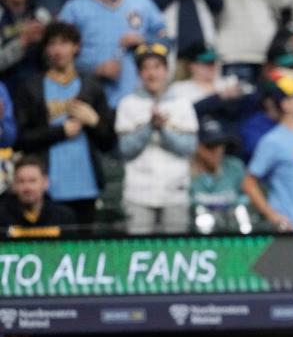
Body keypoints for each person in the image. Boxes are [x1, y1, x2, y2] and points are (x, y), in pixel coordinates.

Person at [13, 21, 114, 227]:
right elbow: (20, 139)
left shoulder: (91, 86)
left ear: (76, 47)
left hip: (86, 185)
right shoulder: (32, 87)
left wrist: (94, 121)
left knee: (85, 251)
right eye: (52, 44)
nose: (57, 50)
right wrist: (60, 131)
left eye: (64, 43)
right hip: (47, 189)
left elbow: (109, 142)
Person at [59, 0, 167, 109]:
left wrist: (144, 40)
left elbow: (167, 41)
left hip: (139, 100)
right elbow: (57, 55)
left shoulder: (141, 3)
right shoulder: (74, 8)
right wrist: (95, 69)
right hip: (92, 101)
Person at [116, 43, 199, 234]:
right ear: (139, 73)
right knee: (139, 251)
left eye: (157, 67)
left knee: (175, 251)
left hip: (175, 191)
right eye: (145, 68)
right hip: (138, 192)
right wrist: (149, 126)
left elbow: (188, 147)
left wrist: (163, 130)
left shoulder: (182, 104)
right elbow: (126, 149)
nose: (152, 73)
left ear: (166, 70)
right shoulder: (128, 104)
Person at [243, 68, 293, 232]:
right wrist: (273, 216)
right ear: (285, 105)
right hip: (289, 228)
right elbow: (248, 183)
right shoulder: (273, 141)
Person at [0, 0, 51, 95]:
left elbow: (54, 62)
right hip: (4, 91)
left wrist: (46, 43)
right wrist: (22, 42)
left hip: (38, 91)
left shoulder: (42, 16)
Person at [191, 117, 249, 233]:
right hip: (196, 237)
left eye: (220, 145)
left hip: (234, 233)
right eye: (211, 146)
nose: (218, 151)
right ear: (198, 147)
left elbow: (248, 198)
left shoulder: (234, 167)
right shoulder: (187, 174)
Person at [0, 156, 76, 237]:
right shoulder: (2, 216)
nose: (27, 187)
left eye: (32, 181)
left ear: (46, 182)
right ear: (14, 185)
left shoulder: (64, 216)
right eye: (21, 181)